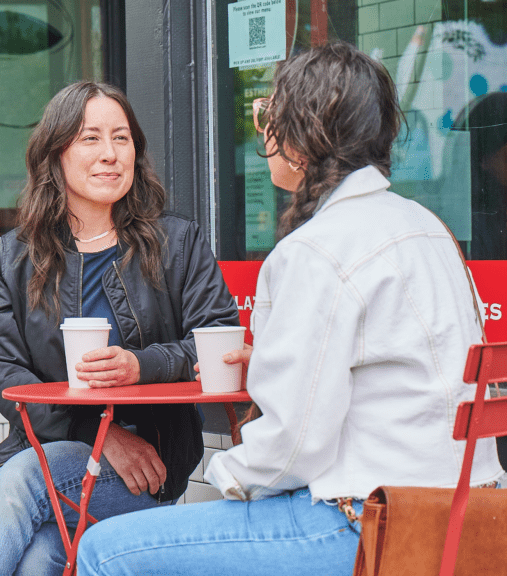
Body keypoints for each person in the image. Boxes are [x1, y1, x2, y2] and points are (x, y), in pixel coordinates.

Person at [77, 42, 506, 576]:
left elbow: (293, 445)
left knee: (104, 549)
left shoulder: (315, 249)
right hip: (470, 519)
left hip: (366, 526)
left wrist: (223, 477)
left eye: (268, 114)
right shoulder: (429, 228)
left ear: (303, 140)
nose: (262, 129)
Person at [0, 81, 239, 575]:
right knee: (39, 558)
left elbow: (219, 341)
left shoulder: (177, 244)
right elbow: (3, 374)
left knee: (17, 483)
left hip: (149, 470)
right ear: (55, 153)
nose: (110, 154)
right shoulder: (13, 258)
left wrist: (141, 366)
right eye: (90, 138)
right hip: (52, 453)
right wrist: (97, 437)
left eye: (121, 139)